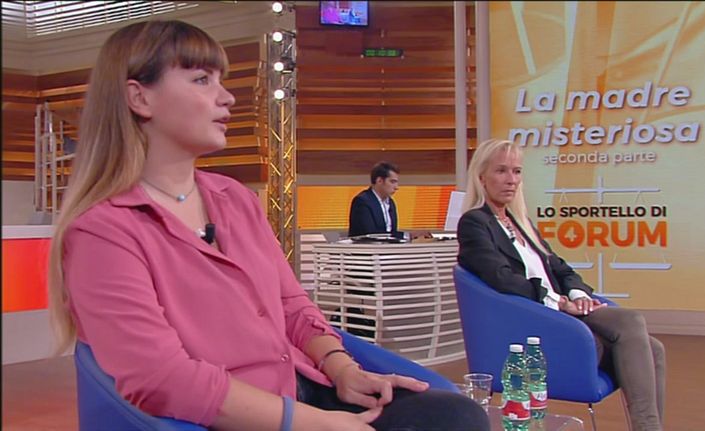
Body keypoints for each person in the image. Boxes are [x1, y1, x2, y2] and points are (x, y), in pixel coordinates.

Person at [47, 20, 489, 431]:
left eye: (220, 80)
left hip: (301, 387)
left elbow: (291, 305)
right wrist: (319, 424)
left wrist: (342, 368)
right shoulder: (102, 231)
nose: (227, 97)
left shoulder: (235, 198)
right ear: (140, 98)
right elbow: (162, 377)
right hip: (237, 417)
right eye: (202, 80)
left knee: (455, 415)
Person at [456, 139, 666, 431]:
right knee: (632, 323)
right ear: (481, 177)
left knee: (653, 348)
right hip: (537, 319)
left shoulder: (520, 223)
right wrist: (558, 302)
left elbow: (561, 269)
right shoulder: (474, 223)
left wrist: (578, 295)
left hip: (562, 312)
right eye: (501, 171)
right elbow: (501, 278)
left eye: (517, 171)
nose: (511, 180)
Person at [348, 162, 402, 238]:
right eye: (392, 182)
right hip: (367, 245)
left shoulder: (391, 203)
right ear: (379, 181)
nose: (396, 187)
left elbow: (392, 233)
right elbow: (369, 234)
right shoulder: (362, 201)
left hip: (387, 245)